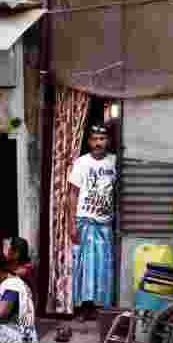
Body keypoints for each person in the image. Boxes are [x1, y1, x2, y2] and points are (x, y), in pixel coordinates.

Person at [68, 124, 116, 319]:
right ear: (89, 141)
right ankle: (83, 307)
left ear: (108, 141)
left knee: (103, 266)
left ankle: (100, 308)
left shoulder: (114, 161)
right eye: (94, 139)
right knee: (84, 267)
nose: (98, 143)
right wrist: (71, 223)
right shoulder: (81, 163)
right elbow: (73, 194)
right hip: (85, 221)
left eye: (102, 139)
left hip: (105, 223)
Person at [6, 236, 37, 309]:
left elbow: (8, 277)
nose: (6, 251)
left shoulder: (25, 270)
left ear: (16, 253)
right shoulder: (11, 267)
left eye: (8, 248)